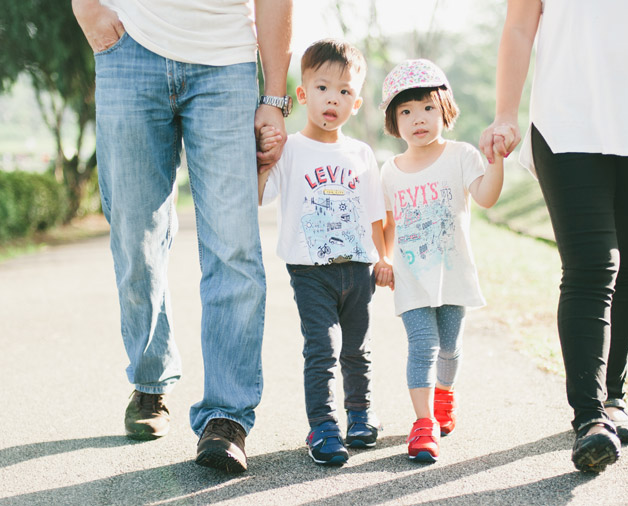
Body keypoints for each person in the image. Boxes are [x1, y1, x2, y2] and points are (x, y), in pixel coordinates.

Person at [480, 0, 628, 473]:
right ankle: (590, 419)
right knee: (592, 266)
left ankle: (615, 400)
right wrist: (506, 112)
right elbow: (518, 26)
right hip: (568, 123)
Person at [71, 0, 293, 474]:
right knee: (135, 236)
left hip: (226, 61)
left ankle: (226, 417)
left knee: (234, 246)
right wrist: (86, 7)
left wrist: (273, 98)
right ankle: (150, 379)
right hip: (129, 48)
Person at [257, 39, 391, 467]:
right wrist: (261, 164)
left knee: (357, 348)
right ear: (302, 94)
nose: (333, 98)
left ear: (356, 102)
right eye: (322, 87)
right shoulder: (291, 149)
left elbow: (374, 213)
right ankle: (323, 425)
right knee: (321, 348)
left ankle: (359, 416)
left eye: (345, 91)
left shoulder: (360, 154)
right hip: (310, 271)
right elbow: (261, 196)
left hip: (359, 267)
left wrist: (383, 257)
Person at [378, 59, 504, 462]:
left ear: (445, 110)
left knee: (449, 346)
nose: (418, 119)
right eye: (406, 111)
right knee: (424, 344)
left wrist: (496, 160)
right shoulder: (390, 172)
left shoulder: (460, 155)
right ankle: (423, 423)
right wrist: (382, 258)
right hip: (411, 277)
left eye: (428, 107)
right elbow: (387, 223)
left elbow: (485, 196)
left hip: (453, 276)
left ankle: (444, 397)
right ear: (393, 121)